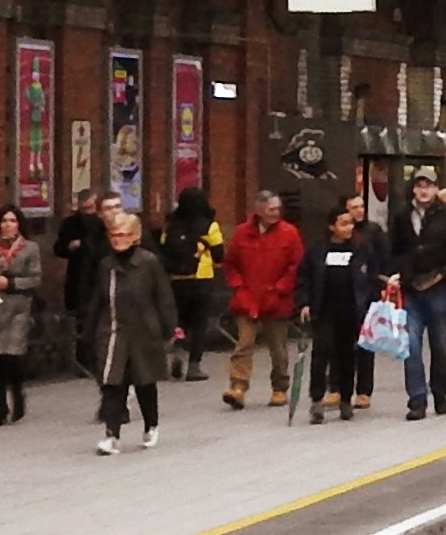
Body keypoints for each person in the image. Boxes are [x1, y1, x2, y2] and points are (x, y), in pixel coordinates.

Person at [388, 175, 446, 421]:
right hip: (411, 289)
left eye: (428, 186)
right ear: (413, 189)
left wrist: (440, 274)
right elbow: (395, 249)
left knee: (441, 347)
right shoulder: (402, 215)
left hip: (437, 288)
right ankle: (416, 399)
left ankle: (439, 391)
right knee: (411, 346)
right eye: (419, 186)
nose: (423, 190)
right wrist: (404, 274)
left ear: (436, 189)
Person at [91, 206, 173, 453]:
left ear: (136, 237)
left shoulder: (149, 263)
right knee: (113, 384)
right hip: (113, 331)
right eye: (114, 234)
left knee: (144, 382)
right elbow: (98, 299)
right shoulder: (107, 266)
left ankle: (151, 425)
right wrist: (89, 331)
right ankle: (111, 434)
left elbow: (163, 297)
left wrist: (170, 328)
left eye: (124, 234)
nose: (119, 239)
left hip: (143, 331)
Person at [221, 190, 302, 410]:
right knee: (243, 344)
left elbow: (296, 266)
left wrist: (282, 288)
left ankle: (280, 387)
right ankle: (238, 386)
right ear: (258, 210)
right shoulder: (241, 233)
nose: (275, 213)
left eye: (277, 209)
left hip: (276, 298)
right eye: (270, 209)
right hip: (247, 297)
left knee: (278, 347)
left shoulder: (289, 233)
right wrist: (238, 286)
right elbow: (230, 264)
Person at [305, 198, 380, 423]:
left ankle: (346, 399)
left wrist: (372, 304)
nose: (349, 228)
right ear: (332, 227)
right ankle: (316, 399)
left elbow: (371, 278)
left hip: (351, 311)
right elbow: (305, 277)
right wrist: (304, 303)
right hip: (324, 310)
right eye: (343, 223)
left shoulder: (361, 248)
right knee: (321, 355)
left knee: (348, 355)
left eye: (350, 223)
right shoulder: (318, 249)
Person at [0, 206, 44, 425]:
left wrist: (11, 283)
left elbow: (35, 279)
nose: (8, 224)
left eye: (12, 220)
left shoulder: (30, 248)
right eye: (4, 220)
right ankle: (0, 408)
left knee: (13, 357)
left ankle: (17, 396)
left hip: (18, 308)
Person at [160, 188, 223, 382]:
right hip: (201, 279)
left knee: (180, 320)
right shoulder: (209, 226)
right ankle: (194, 367)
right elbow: (219, 256)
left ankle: (178, 346)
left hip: (176, 280)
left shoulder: (170, 226)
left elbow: (164, 248)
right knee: (199, 323)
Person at [51, 192, 112, 380]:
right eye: (83, 201)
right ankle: (82, 360)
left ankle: (98, 358)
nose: (87, 204)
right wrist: (70, 246)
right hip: (78, 275)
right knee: (79, 316)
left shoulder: (103, 223)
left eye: (90, 201)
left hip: (99, 273)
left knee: (98, 316)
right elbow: (58, 248)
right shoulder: (71, 223)